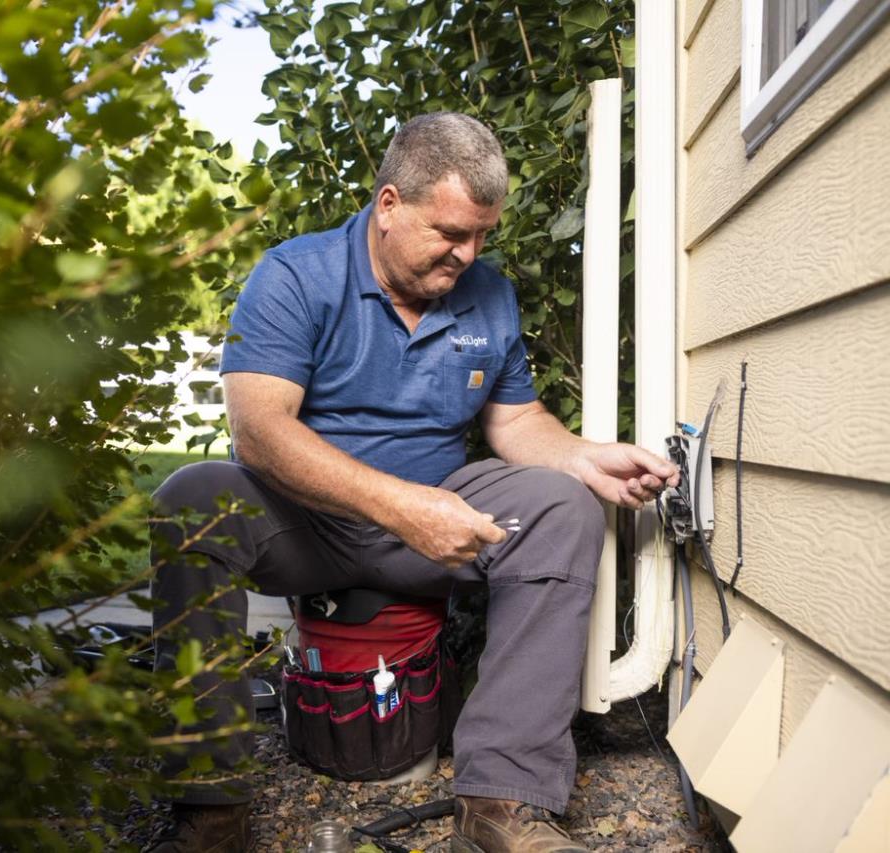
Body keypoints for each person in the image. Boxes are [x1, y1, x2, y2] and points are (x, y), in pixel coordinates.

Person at [146, 112, 678, 853]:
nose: (469, 253)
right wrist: (400, 505)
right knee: (191, 500)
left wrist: (585, 457)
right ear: (389, 205)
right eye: (452, 233)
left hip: (436, 523)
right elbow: (259, 431)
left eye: (482, 235)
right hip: (310, 525)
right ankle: (210, 814)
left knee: (562, 505)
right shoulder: (295, 275)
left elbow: (516, 422)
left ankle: (500, 802)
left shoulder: (488, 296)